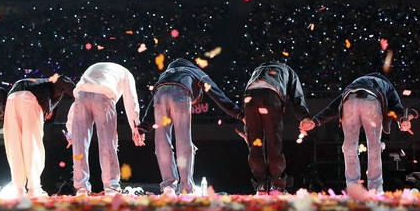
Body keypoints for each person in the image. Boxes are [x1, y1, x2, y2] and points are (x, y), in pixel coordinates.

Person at [145, 59, 242, 194]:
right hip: (180, 92)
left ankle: (168, 187)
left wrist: (143, 126)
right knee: (183, 140)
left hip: (160, 93)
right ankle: (186, 187)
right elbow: (216, 92)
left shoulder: (165, 74)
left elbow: (153, 101)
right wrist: (238, 113)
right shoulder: (194, 71)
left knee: (161, 140)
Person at [300, 72, 404, 192]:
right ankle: (375, 188)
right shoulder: (388, 85)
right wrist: (402, 120)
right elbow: (397, 107)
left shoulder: (356, 83)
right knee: (374, 145)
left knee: (350, 146)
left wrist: (316, 120)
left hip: (349, 100)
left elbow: (333, 106)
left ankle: (353, 187)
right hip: (370, 101)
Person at [67, 62, 145, 196]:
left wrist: (70, 131)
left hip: (81, 95)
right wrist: (136, 128)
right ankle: (111, 187)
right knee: (108, 144)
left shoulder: (94, 67)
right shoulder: (126, 74)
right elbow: (131, 100)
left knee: (79, 145)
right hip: (103, 96)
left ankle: (81, 188)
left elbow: (75, 103)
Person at [243, 62, 311, 193]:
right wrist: (304, 117)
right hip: (270, 96)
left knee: (255, 146)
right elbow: (297, 95)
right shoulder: (288, 71)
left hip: (249, 98)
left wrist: (244, 116)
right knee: (274, 143)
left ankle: (260, 185)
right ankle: (277, 185)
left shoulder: (258, 68)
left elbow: (251, 90)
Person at [3, 75, 75, 197]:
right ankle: (34, 188)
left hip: (11, 99)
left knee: (14, 145)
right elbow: (62, 78)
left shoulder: (41, 84)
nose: (45, 117)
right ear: (51, 111)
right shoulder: (50, 88)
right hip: (30, 99)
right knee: (32, 144)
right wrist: (79, 93)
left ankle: (18, 189)